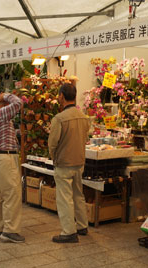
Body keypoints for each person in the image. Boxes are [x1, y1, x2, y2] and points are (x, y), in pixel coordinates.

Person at [48, 83, 90, 243]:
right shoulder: (83, 117)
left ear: (61, 96)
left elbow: (52, 143)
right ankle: (82, 225)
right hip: (79, 162)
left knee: (64, 198)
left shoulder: (59, 119)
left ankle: (68, 232)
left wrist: (54, 157)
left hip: (64, 163)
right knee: (78, 194)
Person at [0, 92, 25, 243]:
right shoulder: (0, 114)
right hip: (3, 159)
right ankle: (10, 231)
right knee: (12, 193)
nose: (11, 109)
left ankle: (1, 227)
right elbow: (18, 103)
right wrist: (7, 95)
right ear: (2, 104)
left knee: (1, 195)